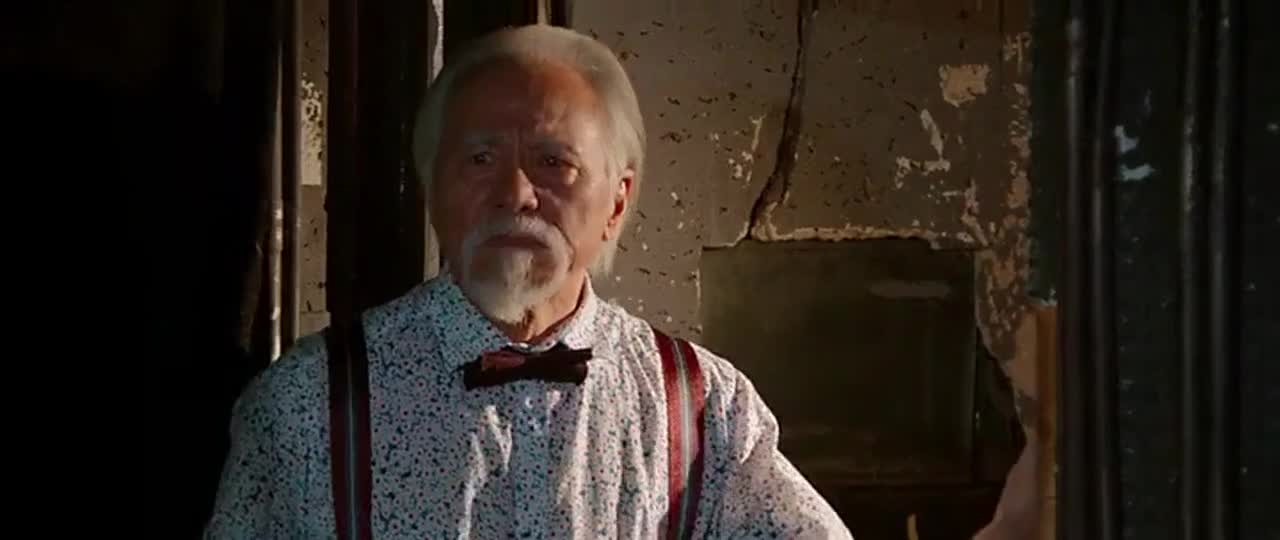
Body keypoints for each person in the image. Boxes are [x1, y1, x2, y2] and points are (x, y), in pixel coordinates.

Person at [204, 24, 853, 539]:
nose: (514, 193)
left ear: (618, 201)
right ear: (432, 189)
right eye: (480, 158)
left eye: (553, 162)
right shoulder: (302, 408)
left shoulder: (708, 411)